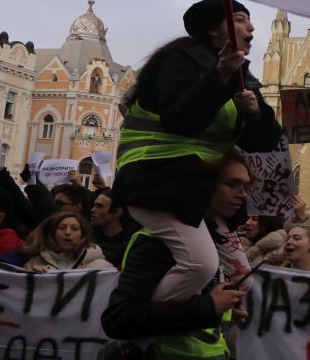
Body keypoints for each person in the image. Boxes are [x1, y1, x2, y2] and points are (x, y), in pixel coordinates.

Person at [111, 0, 283, 301]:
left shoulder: (245, 75)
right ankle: (143, 327)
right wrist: (219, 77)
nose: (252, 28)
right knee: (200, 266)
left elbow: (265, 142)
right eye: (241, 19)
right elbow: (180, 119)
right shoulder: (182, 60)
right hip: (157, 182)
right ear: (214, 30)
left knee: (242, 279)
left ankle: (210, 324)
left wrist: (255, 111)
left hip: (197, 190)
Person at [102, 150, 255, 358]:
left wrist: (224, 313)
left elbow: (190, 302)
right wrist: (210, 307)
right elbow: (120, 320)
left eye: (245, 186)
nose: (242, 194)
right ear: (204, 183)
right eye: (231, 184)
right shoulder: (158, 242)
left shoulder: (212, 239)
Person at [19, 212, 113, 272]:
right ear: (52, 233)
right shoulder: (34, 265)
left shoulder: (102, 267)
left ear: (82, 234)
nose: (68, 232)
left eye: (74, 229)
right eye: (62, 228)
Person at [90, 189, 138, 268]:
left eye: (99, 206)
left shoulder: (132, 245)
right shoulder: (87, 237)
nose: (93, 210)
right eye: (94, 205)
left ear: (117, 212)